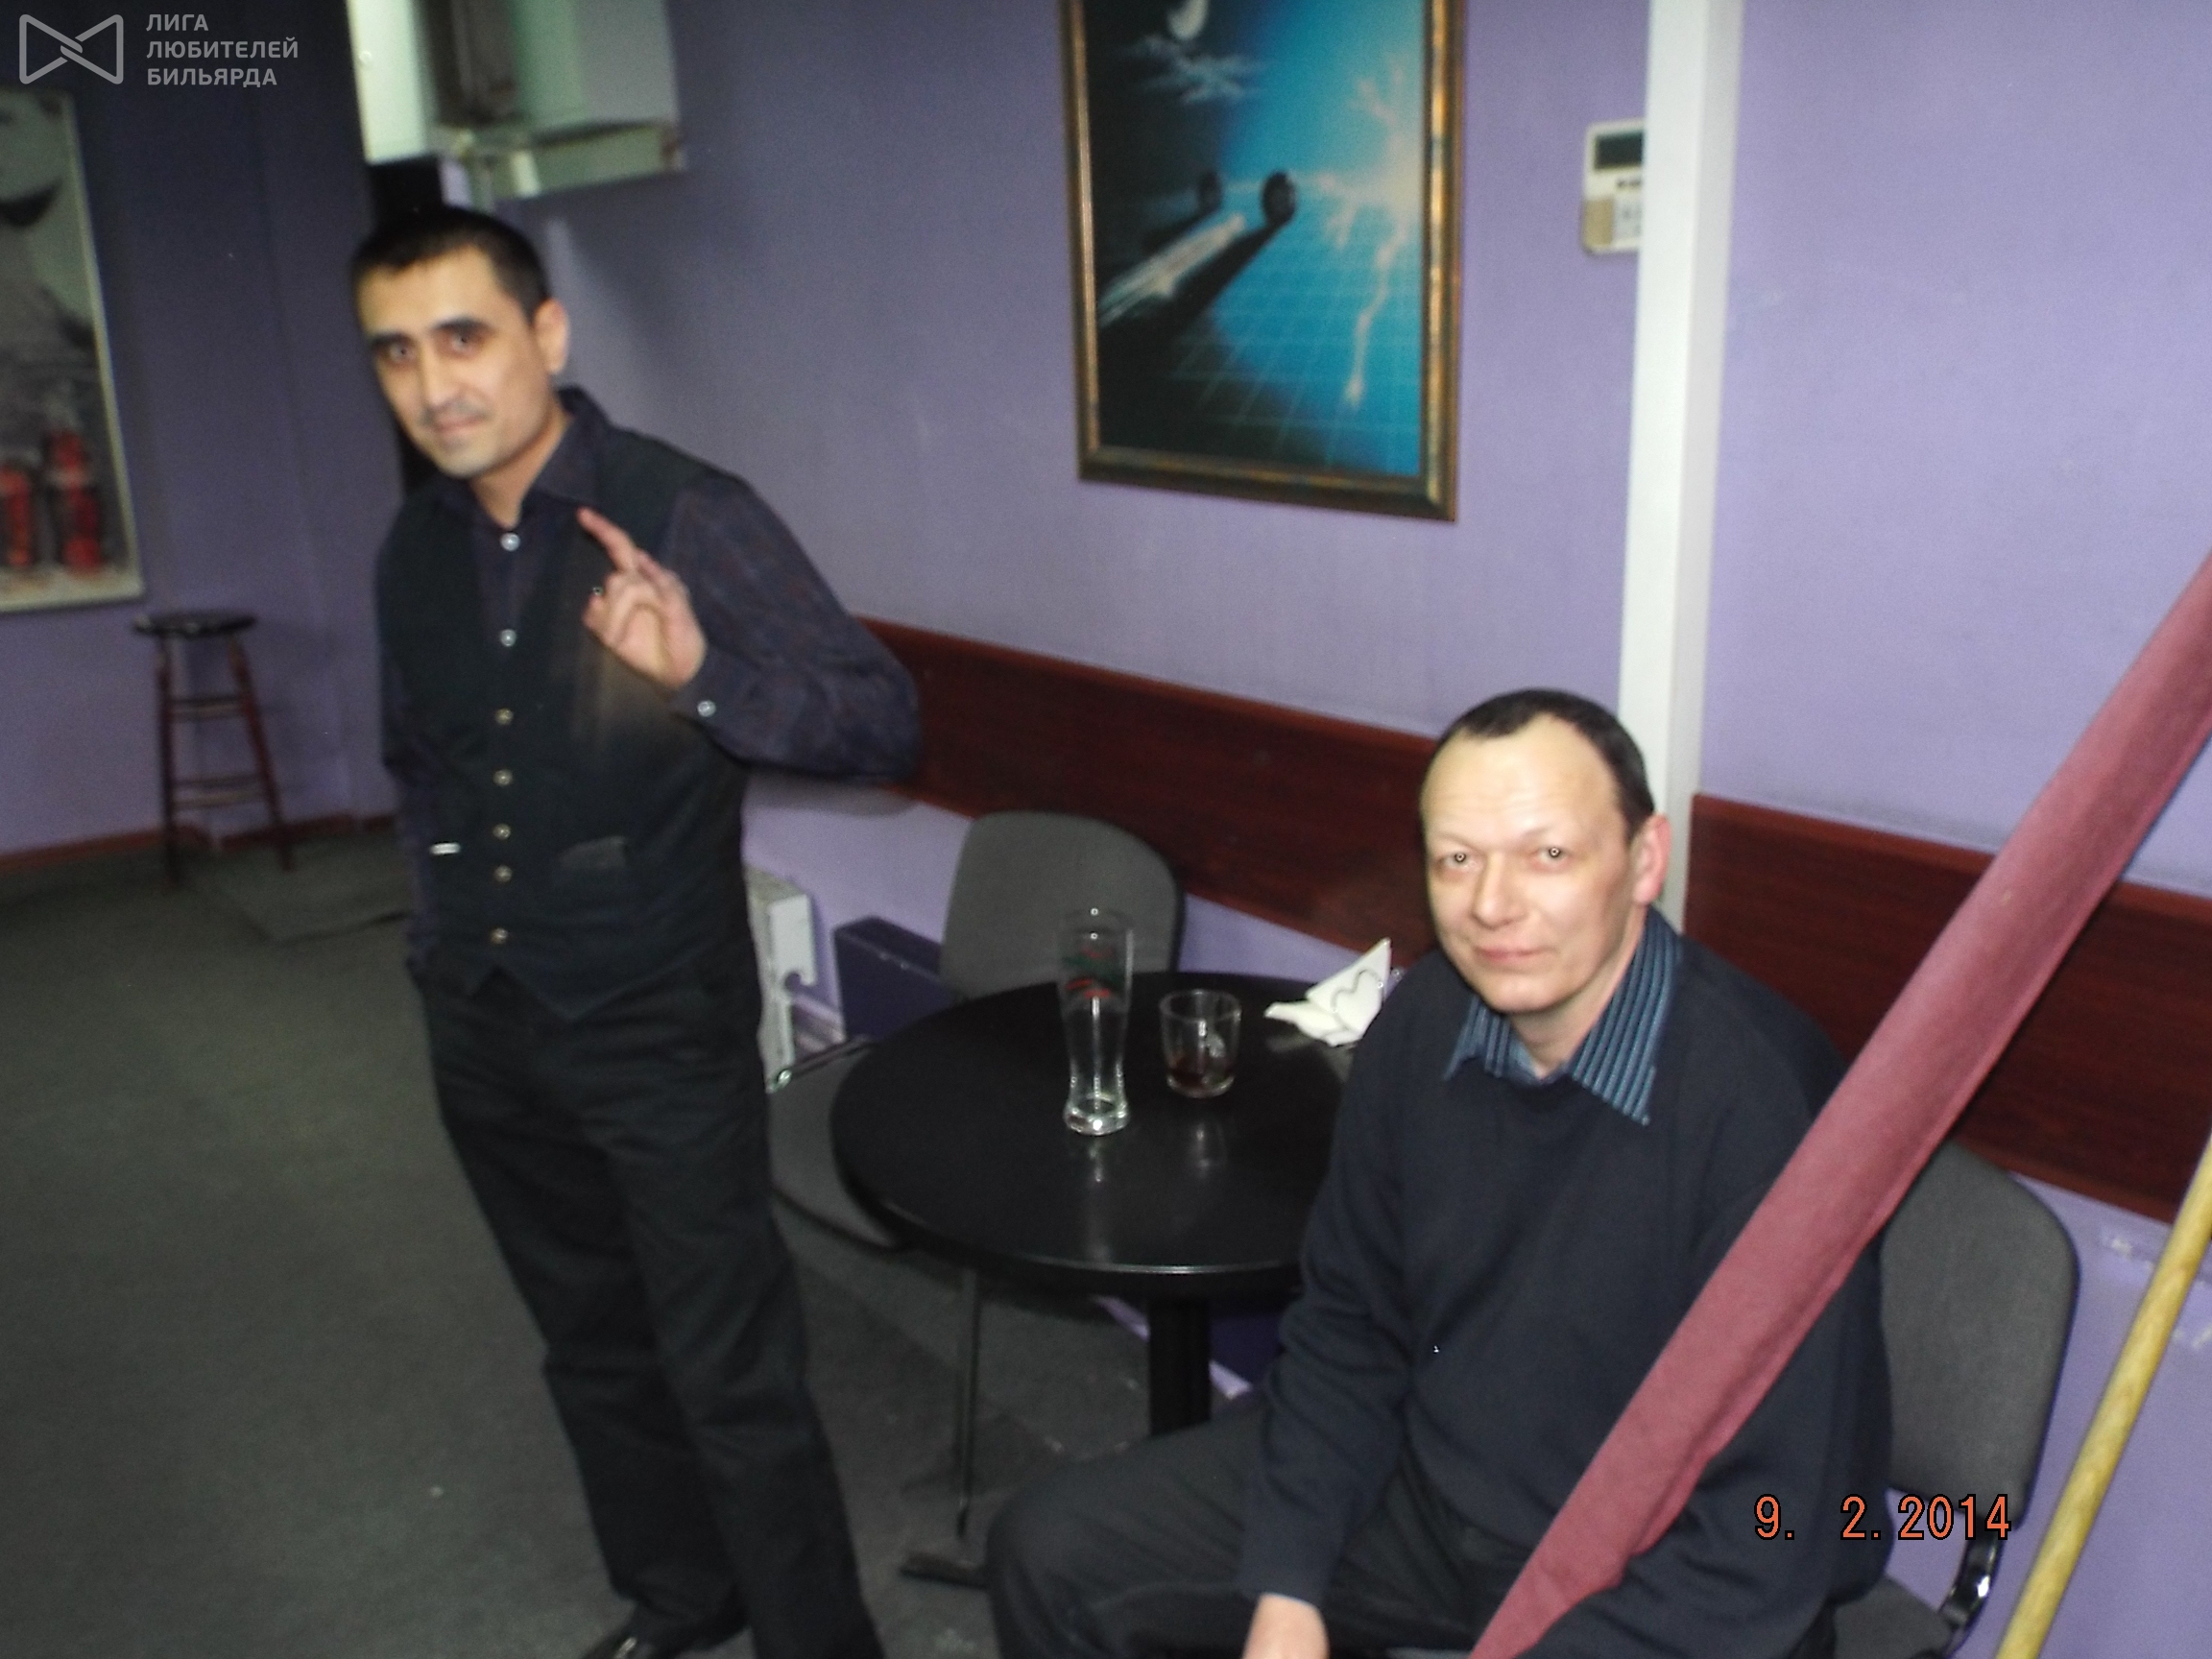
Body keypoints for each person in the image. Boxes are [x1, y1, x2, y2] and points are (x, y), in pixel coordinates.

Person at [989, 689, 1890, 1659]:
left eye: (1548, 854)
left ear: (1644, 861)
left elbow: (1777, 1530)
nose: (1492, 904)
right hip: (1432, 1497)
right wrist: (1289, 1583)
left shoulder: (1761, 1105)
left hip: (1656, 1569)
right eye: (1458, 859)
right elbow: (1352, 1323)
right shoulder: (1423, 1024)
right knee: (1049, 1553)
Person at [354, 206, 917, 1659]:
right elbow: (420, 765)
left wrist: (705, 671)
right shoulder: (412, 547)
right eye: (398, 354)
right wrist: (438, 947)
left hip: (655, 1024)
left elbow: (881, 722)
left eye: (464, 337)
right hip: (484, 1020)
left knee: (729, 1368)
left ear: (546, 333)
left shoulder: (684, 512)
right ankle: (682, 1592)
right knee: (590, 1342)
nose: (435, 385)